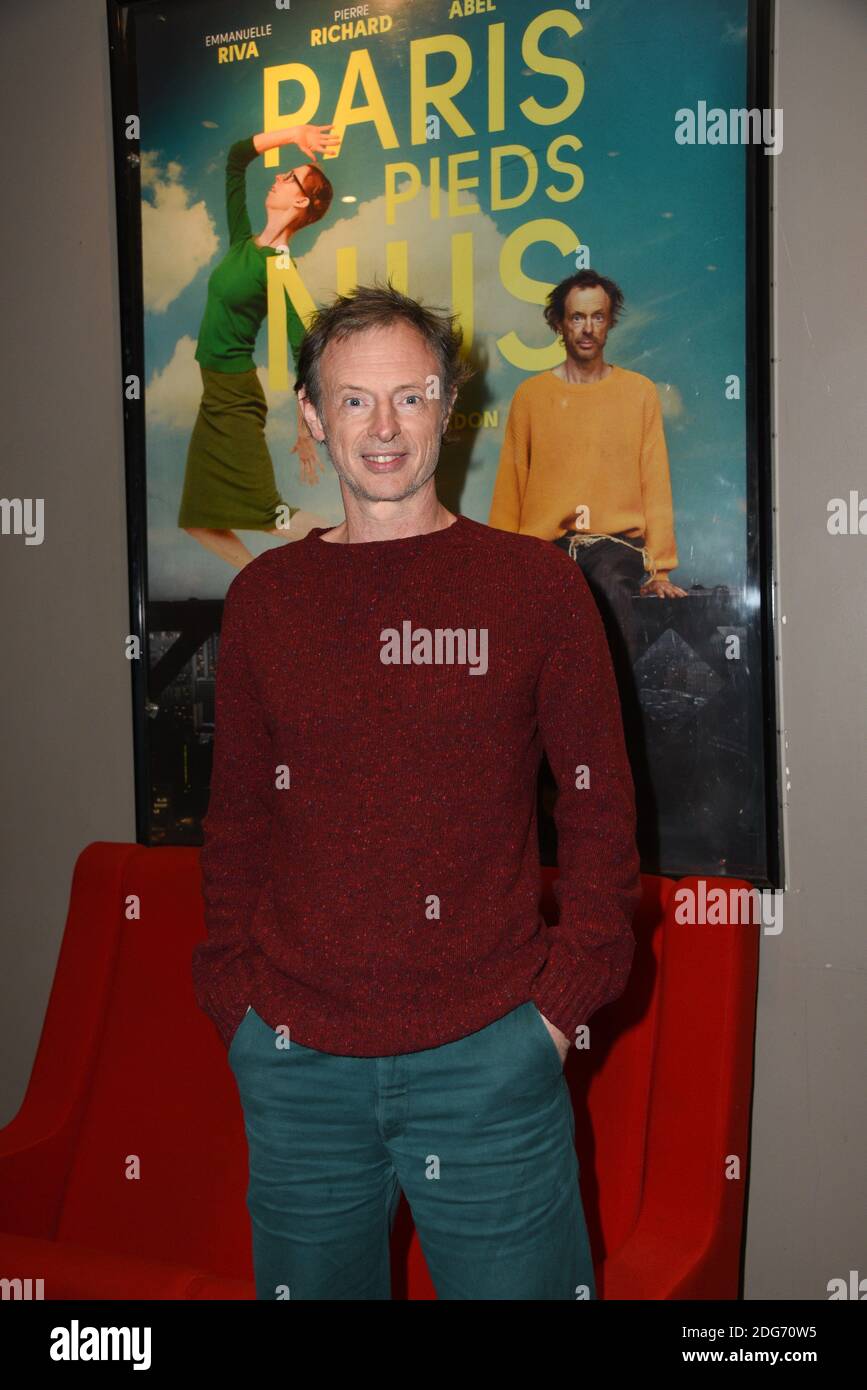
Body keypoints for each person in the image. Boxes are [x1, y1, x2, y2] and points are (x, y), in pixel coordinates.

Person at [191, 282, 641, 1300]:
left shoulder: (535, 589)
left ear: (449, 406)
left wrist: (559, 1007)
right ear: (311, 414)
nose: (384, 427)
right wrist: (234, 1004)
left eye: (410, 396)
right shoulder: (263, 601)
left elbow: (602, 809)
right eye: (354, 400)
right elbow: (236, 826)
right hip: (296, 1064)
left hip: (491, 1060)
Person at [488, 270, 688, 686]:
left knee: (606, 590)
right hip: (546, 547)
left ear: (610, 322)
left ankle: (604, 719)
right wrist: (502, 567)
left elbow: (655, 480)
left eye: (598, 317)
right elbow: (512, 482)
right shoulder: (531, 396)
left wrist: (661, 569)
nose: (587, 328)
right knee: (530, 618)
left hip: (615, 547)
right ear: (558, 324)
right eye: (577, 317)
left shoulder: (639, 392)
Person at [178, 124, 339, 570]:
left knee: (270, 513)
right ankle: (257, 589)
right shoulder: (242, 241)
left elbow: (300, 345)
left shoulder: (281, 266)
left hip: (234, 396)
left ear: (301, 202)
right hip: (216, 395)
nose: (279, 177)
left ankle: (357, 550)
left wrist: (306, 426)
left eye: (290, 179)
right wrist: (293, 134)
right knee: (197, 518)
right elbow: (235, 157)